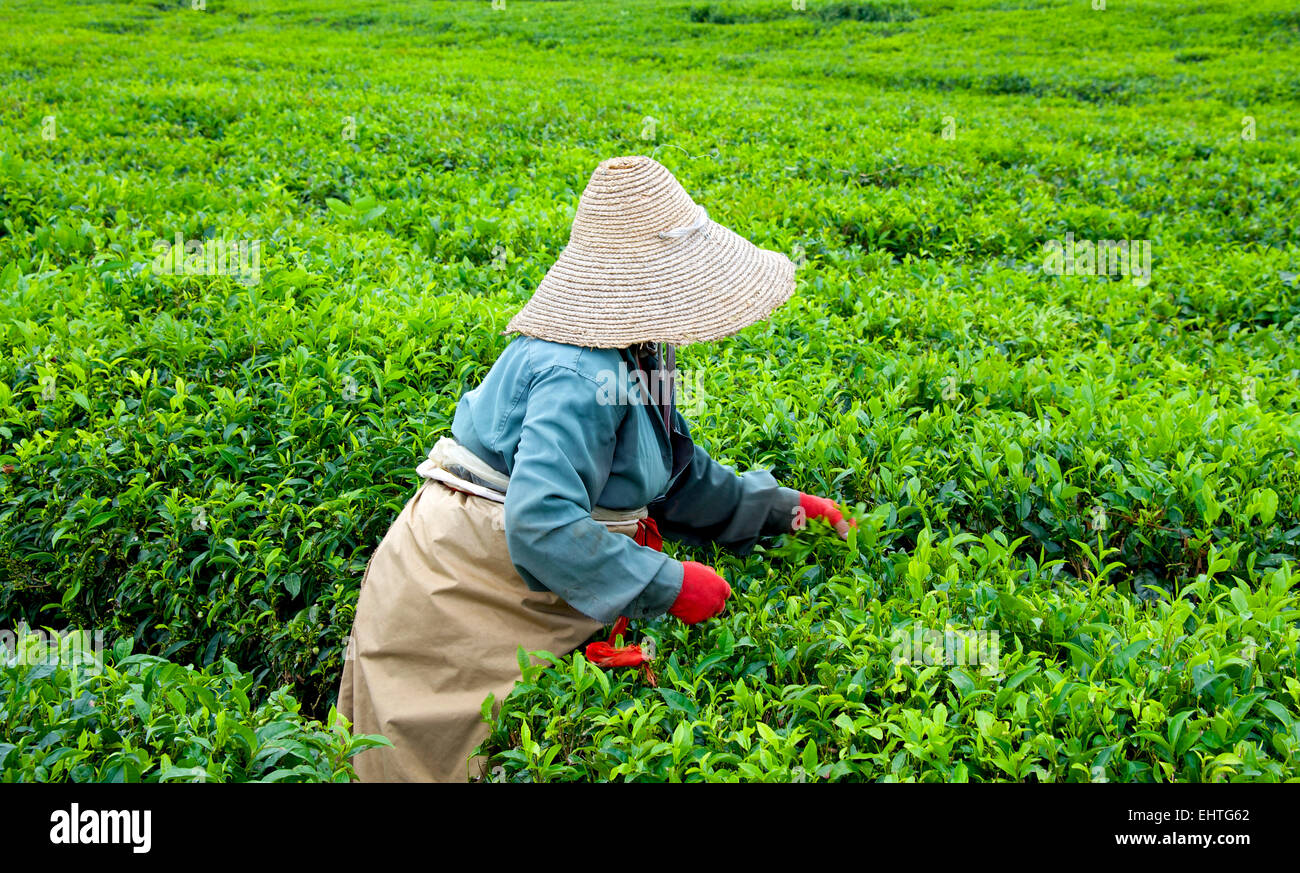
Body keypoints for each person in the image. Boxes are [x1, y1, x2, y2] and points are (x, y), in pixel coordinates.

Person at [336, 155, 854, 782]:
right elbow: (541, 522)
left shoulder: (637, 348)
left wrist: (780, 508)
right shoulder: (580, 373)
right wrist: (669, 583)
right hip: (466, 592)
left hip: (510, 569)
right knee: (435, 763)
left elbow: (672, 473)